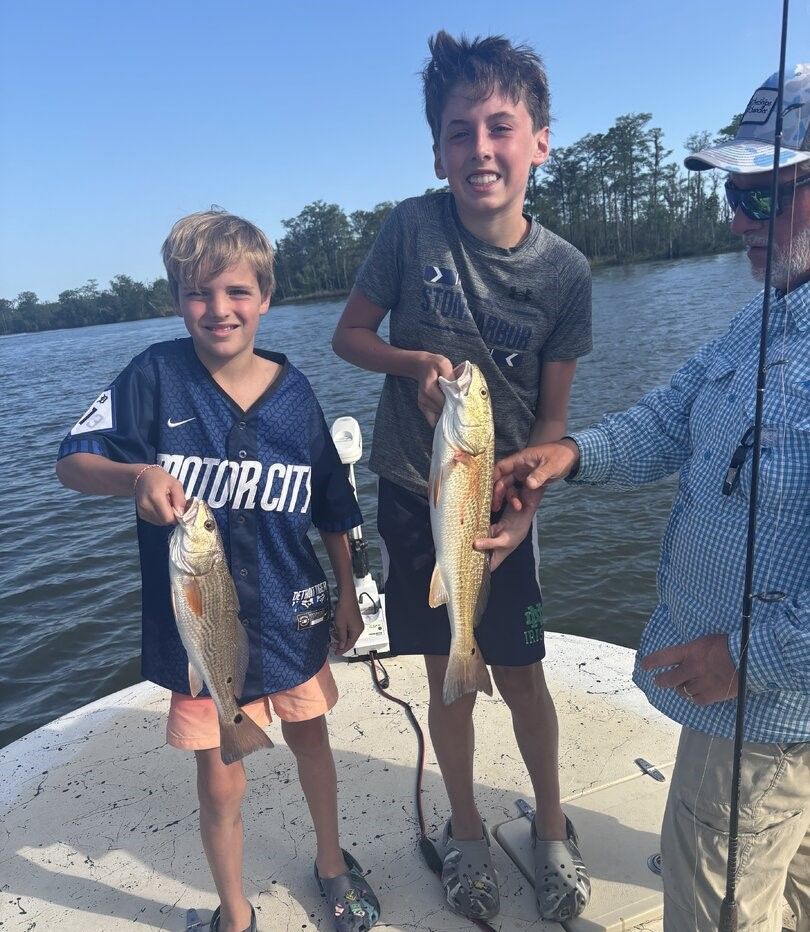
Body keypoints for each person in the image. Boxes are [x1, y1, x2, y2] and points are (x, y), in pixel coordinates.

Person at [482, 65, 810, 932]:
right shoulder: (771, 312)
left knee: (717, 909)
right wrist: (571, 453)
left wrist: (747, 657)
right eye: (735, 196)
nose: (741, 217)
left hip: (763, 708)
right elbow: (671, 418)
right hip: (760, 704)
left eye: (767, 196)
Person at [55, 210, 381, 932]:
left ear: (265, 296)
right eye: (199, 293)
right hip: (199, 632)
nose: (218, 309)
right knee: (219, 782)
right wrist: (136, 475)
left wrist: (349, 591)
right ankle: (236, 912)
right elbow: (72, 461)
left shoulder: (296, 398)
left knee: (313, 745)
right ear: (177, 301)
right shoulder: (154, 377)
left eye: (236, 291)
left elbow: (334, 503)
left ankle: (331, 862)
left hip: (292, 615)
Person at [332, 31, 592, 923]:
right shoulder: (410, 227)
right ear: (437, 149)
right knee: (448, 671)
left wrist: (527, 512)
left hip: (502, 508)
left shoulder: (566, 272)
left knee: (522, 677)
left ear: (540, 140)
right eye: (457, 132)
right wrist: (411, 365)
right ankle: (469, 830)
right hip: (414, 492)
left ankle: (552, 829)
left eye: (500, 126)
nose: (479, 149)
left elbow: (553, 425)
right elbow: (349, 336)